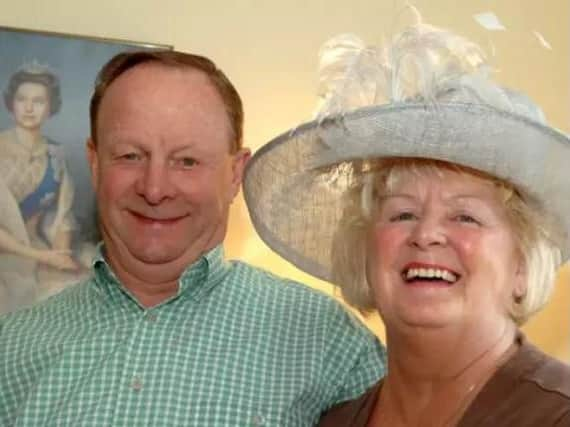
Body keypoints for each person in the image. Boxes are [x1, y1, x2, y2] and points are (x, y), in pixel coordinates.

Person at [0, 50, 386, 426]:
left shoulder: (327, 342)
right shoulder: (11, 349)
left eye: (187, 161)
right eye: (131, 155)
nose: (155, 188)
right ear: (95, 163)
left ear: (235, 174)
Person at [243, 23, 570, 426]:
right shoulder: (336, 421)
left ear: (521, 265)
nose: (426, 234)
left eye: (465, 216)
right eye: (403, 214)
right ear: (365, 250)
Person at [0, 64, 80, 315]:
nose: (29, 108)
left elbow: (61, 215)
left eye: (38, 101)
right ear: (11, 103)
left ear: (51, 107)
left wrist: (61, 255)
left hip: (37, 249)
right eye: (21, 99)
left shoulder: (56, 155)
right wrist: (42, 257)